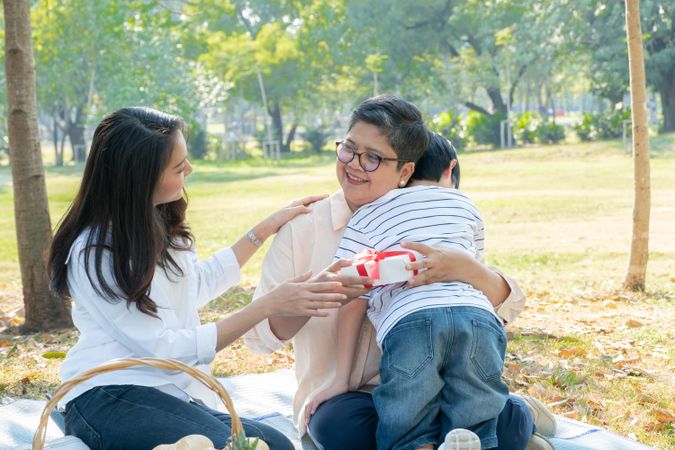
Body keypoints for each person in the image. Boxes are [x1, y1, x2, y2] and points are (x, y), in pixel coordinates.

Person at [244, 96, 555, 450]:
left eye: (373, 158)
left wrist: (466, 268)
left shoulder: (423, 218)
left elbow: (499, 305)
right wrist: (322, 294)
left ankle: (502, 419)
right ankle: (485, 427)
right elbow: (261, 339)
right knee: (339, 426)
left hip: (439, 388)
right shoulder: (302, 227)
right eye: (348, 149)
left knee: (501, 419)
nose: (354, 165)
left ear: (405, 172)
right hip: (350, 397)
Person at [48, 107, 351, 450]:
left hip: (169, 392)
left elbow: (195, 284)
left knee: (276, 444)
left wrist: (264, 229)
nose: (189, 170)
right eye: (179, 167)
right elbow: (163, 348)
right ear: (140, 177)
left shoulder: (155, 221)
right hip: (109, 394)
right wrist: (268, 305)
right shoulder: (96, 251)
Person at [307, 133, 513, 450]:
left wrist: (341, 379)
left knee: (407, 425)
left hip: (411, 322)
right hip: (477, 318)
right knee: (479, 415)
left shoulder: (368, 212)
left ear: (402, 171)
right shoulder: (464, 203)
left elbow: (350, 296)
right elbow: (478, 269)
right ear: (450, 169)